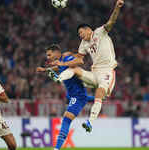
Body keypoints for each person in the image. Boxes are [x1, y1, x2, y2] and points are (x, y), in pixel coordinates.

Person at [48, 0, 125, 132]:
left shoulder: (100, 32)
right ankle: (58, 78)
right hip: (94, 73)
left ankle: (90, 122)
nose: (80, 36)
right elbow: (78, 60)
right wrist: (62, 61)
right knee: (75, 70)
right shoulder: (83, 44)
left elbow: (111, 22)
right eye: (79, 35)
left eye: (81, 33)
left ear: (88, 30)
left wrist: (117, 8)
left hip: (107, 72)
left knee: (99, 93)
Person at [37, 44, 94, 150]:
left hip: (77, 96)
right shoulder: (62, 61)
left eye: (49, 55)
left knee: (66, 120)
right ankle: (95, 98)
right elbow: (60, 68)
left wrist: (62, 63)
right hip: (74, 95)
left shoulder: (66, 58)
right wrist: (45, 70)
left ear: (56, 53)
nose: (48, 57)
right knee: (57, 80)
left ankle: (57, 148)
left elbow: (80, 61)